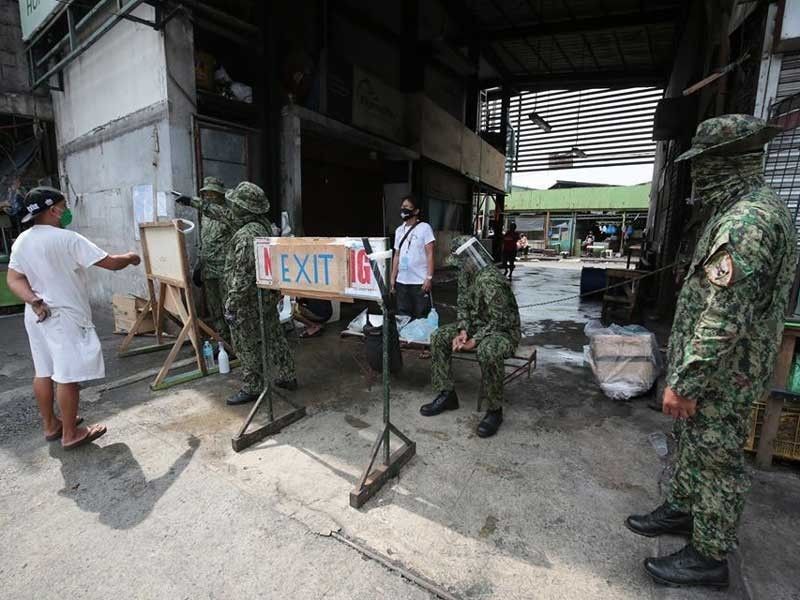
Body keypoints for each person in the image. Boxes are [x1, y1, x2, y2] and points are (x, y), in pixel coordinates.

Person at [625, 115, 796, 588]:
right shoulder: (738, 210)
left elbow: (725, 316)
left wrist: (686, 381)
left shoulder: (747, 221)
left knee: (718, 460)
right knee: (694, 447)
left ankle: (710, 555)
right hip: (719, 372)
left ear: (728, 162)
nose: (697, 177)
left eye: (704, 165)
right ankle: (682, 509)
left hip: (725, 374)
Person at [7, 187, 141, 449]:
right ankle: (71, 433)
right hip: (63, 315)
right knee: (67, 376)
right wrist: (132, 257)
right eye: (64, 205)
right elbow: (111, 262)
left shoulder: (22, 241)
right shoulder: (67, 239)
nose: (67, 210)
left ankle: (51, 425)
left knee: (43, 371)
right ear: (53, 210)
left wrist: (33, 300)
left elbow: (14, 278)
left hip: (37, 315)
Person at [180, 182, 297, 405]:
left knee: (245, 343)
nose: (231, 206)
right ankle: (287, 375)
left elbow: (242, 276)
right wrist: (193, 202)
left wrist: (232, 303)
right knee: (273, 336)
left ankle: (253, 386)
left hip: (248, 300)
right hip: (265, 296)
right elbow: (221, 213)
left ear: (244, 208)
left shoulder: (245, 236)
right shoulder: (260, 224)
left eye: (235, 204)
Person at [420, 236, 520, 438]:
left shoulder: (490, 280)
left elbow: (500, 320)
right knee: (439, 337)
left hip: (503, 331)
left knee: (487, 350)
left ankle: (494, 410)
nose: (459, 267)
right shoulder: (467, 275)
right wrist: (463, 331)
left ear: (469, 259)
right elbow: (463, 305)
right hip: (477, 326)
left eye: (460, 262)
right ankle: (447, 394)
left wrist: (474, 340)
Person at [187, 176, 231, 341]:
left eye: (213, 193)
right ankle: (223, 339)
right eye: (207, 193)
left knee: (229, 306)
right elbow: (206, 239)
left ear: (220, 194)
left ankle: (235, 340)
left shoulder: (227, 212)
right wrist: (200, 262)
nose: (209, 196)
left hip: (225, 269)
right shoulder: (205, 215)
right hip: (209, 267)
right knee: (214, 307)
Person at [390, 195, 435, 320]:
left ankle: (418, 340)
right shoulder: (399, 230)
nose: (403, 210)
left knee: (421, 316)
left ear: (416, 211)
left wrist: (429, 278)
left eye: (407, 207)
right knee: (402, 315)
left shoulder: (425, 228)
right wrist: (393, 277)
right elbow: (397, 255)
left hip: (419, 282)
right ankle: (404, 339)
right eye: (402, 207)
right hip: (402, 281)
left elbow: (430, 254)